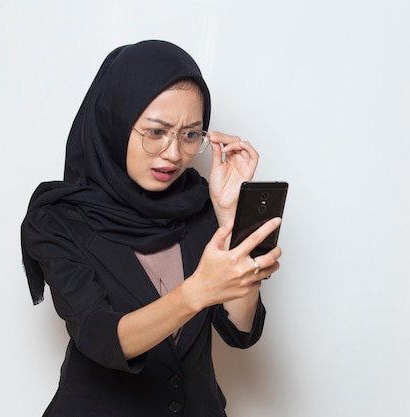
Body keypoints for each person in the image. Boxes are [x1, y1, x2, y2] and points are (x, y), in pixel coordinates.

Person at [21, 40, 282, 417]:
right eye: (156, 132)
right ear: (115, 122)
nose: (174, 154)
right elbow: (99, 336)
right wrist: (195, 293)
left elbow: (240, 333)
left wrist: (230, 218)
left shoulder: (200, 206)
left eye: (191, 134)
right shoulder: (58, 219)